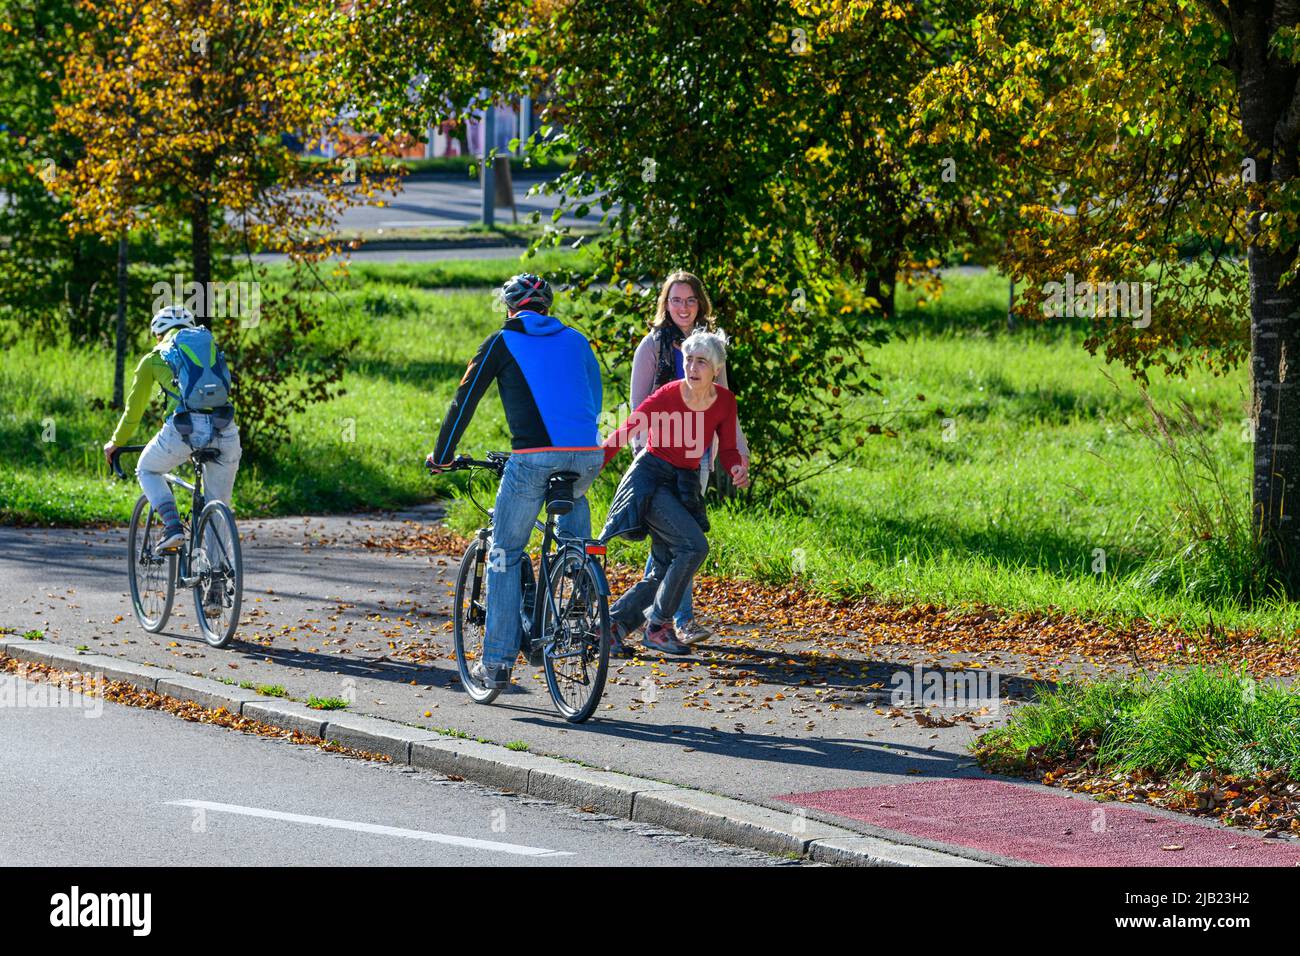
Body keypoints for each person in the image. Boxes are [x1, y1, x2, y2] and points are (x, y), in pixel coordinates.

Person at [427, 274, 604, 690]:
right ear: (546, 308)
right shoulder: (577, 340)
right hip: (585, 456)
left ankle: (497, 661)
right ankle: (579, 589)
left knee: (505, 551)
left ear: (510, 309)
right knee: (573, 537)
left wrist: (444, 454)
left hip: (532, 459)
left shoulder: (501, 342)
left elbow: (464, 400)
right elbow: (593, 397)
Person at [600, 328, 750, 656]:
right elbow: (629, 428)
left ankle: (612, 627)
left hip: (684, 483)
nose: (692, 368)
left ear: (716, 369)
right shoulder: (668, 394)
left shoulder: (724, 401)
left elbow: (726, 449)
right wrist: (592, 463)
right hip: (651, 480)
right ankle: (658, 626)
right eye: (688, 360)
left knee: (663, 568)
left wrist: (736, 466)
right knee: (694, 546)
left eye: (701, 362)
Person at [628, 271, 749, 644]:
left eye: (690, 300)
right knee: (683, 541)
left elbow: (725, 403)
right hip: (658, 459)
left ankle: (642, 622)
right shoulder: (652, 346)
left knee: (673, 543)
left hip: (697, 459)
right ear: (665, 304)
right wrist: (642, 453)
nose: (683, 307)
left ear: (701, 305)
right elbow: (638, 404)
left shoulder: (712, 348)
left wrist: (738, 454)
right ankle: (672, 621)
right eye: (676, 300)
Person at [102, 306, 241, 612]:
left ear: (157, 333)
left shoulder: (154, 357)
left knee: (148, 468)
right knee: (218, 508)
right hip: (226, 430)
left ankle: (172, 527)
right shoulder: (209, 346)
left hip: (184, 431)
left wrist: (116, 443)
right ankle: (215, 589)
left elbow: (133, 411)